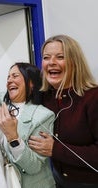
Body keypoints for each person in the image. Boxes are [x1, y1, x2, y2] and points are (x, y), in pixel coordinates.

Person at [28, 34, 98, 188]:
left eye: (60, 57)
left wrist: (55, 149)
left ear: (75, 62)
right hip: (58, 181)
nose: (51, 63)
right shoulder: (44, 98)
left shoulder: (93, 97)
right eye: (46, 58)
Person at [0, 62, 56, 188]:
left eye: (15, 76)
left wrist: (13, 138)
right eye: (8, 77)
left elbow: (34, 166)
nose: (9, 80)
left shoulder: (43, 116)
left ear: (31, 83)